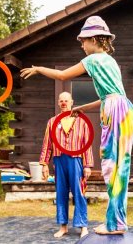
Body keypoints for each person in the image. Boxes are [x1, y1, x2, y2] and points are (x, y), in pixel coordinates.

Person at [21, 16, 133, 235]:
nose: (81, 45)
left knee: (112, 167)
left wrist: (38, 69)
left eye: (83, 41)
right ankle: (117, 221)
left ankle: (114, 224)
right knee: (121, 168)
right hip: (126, 109)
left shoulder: (93, 59)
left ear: (94, 39)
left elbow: (63, 75)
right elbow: (111, 96)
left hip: (114, 110)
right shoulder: (111, 61)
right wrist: (83, 108)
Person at [40, 92, 93, 238]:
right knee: (61, 193)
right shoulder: (52, 122)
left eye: (66, 101)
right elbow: (47, 144)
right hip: (59, 160)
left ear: (72, 102)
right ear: (58, 103)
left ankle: (83, 227)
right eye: (61, 101)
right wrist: (44, 163)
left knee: (79, 192)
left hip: (76, 160)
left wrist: (87, 165)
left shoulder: (81, 121)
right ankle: (63, 226)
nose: (64, 103)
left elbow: (86, 143)